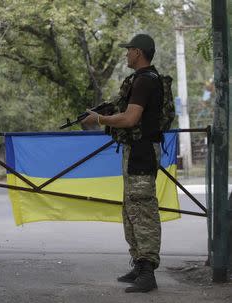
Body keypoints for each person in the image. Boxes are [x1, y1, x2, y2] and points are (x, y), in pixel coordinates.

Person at [82, 34, 163, 293]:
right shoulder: (143, 79)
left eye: (129, 51)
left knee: (142, 210)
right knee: (131, 208)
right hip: (136, 150)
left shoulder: (144, 81)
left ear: (138, 52)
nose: (126, 55)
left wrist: (100, 120)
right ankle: (140, 265)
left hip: (142, 151)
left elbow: (130, 119)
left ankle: (148, 272)